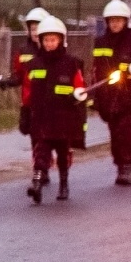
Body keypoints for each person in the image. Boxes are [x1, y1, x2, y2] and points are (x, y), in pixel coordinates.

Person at [22, 14, 85, 204]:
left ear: (61, 40)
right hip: (42, 119)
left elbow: (80, 87)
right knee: (41, 153)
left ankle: (63, 183)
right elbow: (27, 90)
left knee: (63, 155)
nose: (49, 43)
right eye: (46, 40)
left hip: (64, 120)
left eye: (53, 40)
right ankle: (37, 184)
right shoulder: (34, 64)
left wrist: (79, 96)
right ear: (41, 41)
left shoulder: (71, 64)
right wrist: (25, 112)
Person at [0, 6, 51, 185]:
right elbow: (19, 75)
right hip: (29, 102)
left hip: (49, 103)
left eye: (38, 28)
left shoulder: (52, 49)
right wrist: (7, 82)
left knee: (44, 136)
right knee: (33, 135)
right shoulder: (23, 52)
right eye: (32, 28)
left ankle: (40, 170)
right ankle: (41, 167)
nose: (35, 32)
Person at [92, 0, 131, 185]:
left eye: (119, 20)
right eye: (112, 20)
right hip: (108, 96)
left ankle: (126, 166)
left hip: (127, 95)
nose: (115, 23)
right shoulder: (100, 42)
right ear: (107, 22)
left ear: (125, 21)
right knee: (114, 133)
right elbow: (96, 69)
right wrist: (94, 99)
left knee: (125, 131)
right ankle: (120, 164)